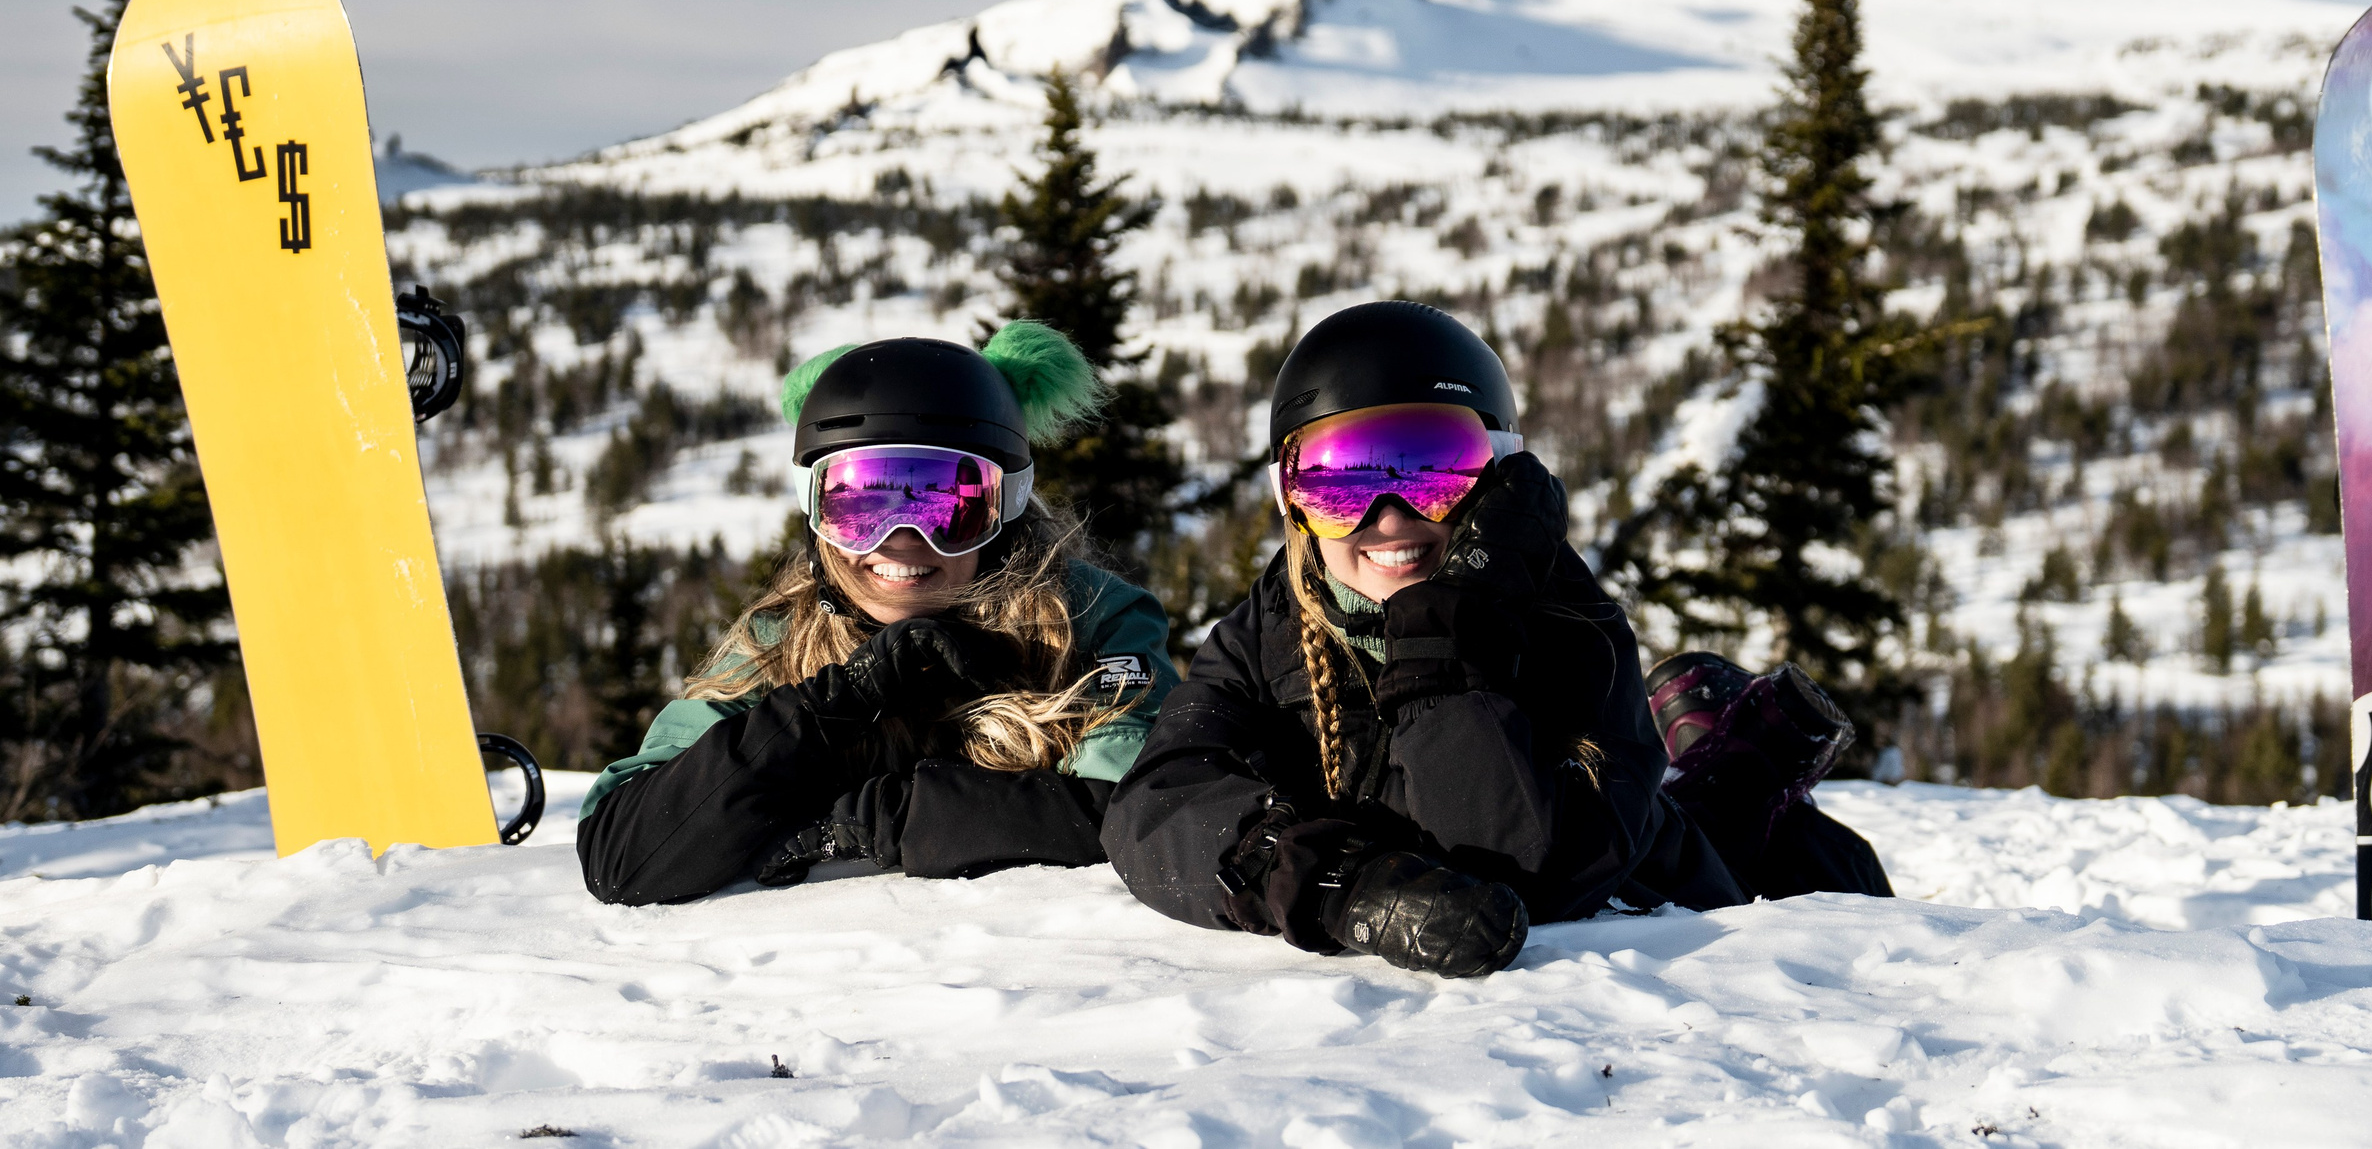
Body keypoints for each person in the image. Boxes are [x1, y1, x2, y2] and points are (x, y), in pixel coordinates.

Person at [1102, 301, 1889, 978]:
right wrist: (1331, 879)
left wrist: (1445, 625)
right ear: (1292, 499)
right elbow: (1155, 801)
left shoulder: (1566, 623)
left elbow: (1511, 866)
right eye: (1342, 479)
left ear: (1497, 479)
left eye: (1432, 468)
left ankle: (1745, 774)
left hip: (1673, 900)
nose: (1388, 515)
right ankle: (1722, 755)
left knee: (1742, 838)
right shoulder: (1272, 626)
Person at [577, 321, 1177, 905]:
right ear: (815, 515)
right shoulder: (781, 637)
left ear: (1005, 514)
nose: (901, 538)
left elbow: (1147, 806)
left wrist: (888, 817)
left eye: (948, 502)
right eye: (861, 503)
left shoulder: (1088, 619)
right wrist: (834, 702)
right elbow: (621, 852)